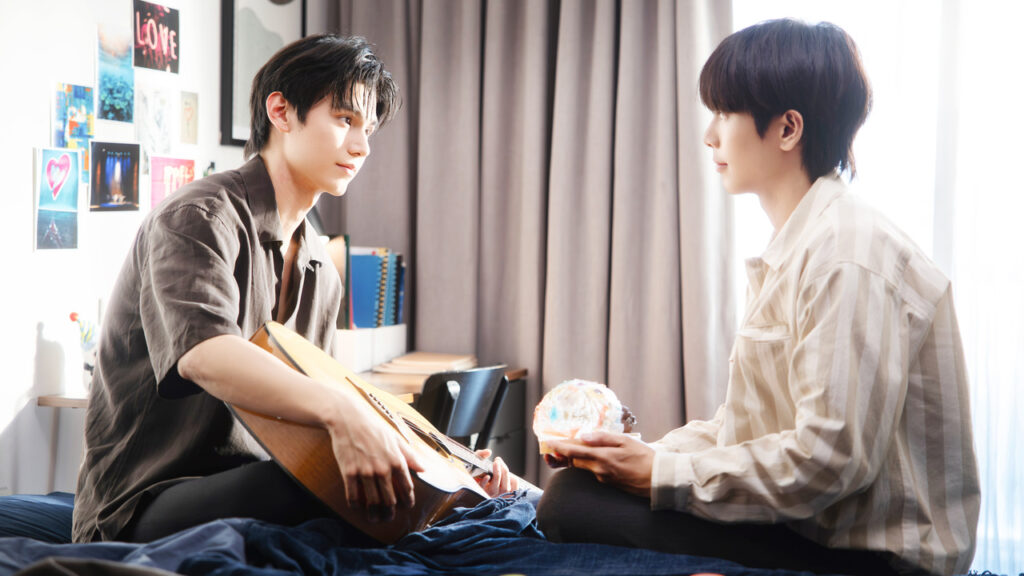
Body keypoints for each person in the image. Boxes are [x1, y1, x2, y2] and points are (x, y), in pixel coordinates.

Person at [536, 19, 979, 576]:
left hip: (875, 558)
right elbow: (746, 430)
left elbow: (829, 460)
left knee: (571, 504)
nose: (710, 136)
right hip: (817, 530)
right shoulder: (805, 241)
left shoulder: (846, 253)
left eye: (725, 113)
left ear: (788, 128)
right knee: (579, 490)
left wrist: (659, 474)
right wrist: (636, 456)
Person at [73, 34, 517, 544]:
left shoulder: (320, 264)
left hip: (250, 483)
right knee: (321, 491)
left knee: (387, 491)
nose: (362, 147)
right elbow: (204, 354)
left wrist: (450, 471)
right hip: (141, 502)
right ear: (281, 112)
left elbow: (315, 401)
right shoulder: (197, 217)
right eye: (345, 119)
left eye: (369, 130)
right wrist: (342, 412)